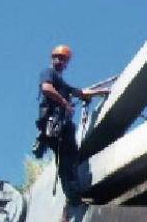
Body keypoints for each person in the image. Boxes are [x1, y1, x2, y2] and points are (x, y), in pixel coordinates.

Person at [32, 44, 110, 205]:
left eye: (64, 59)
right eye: (58, 57)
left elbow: (80, 92)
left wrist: (103, 91)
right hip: (55, 125)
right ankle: (73, 197)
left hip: (60, 126)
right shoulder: (48, 73)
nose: (60, 61)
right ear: (52, 57)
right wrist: (65, 104)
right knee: (67, 160)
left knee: (70, 158)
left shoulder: (61, 83)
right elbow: (46, 88)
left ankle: (73, 193)